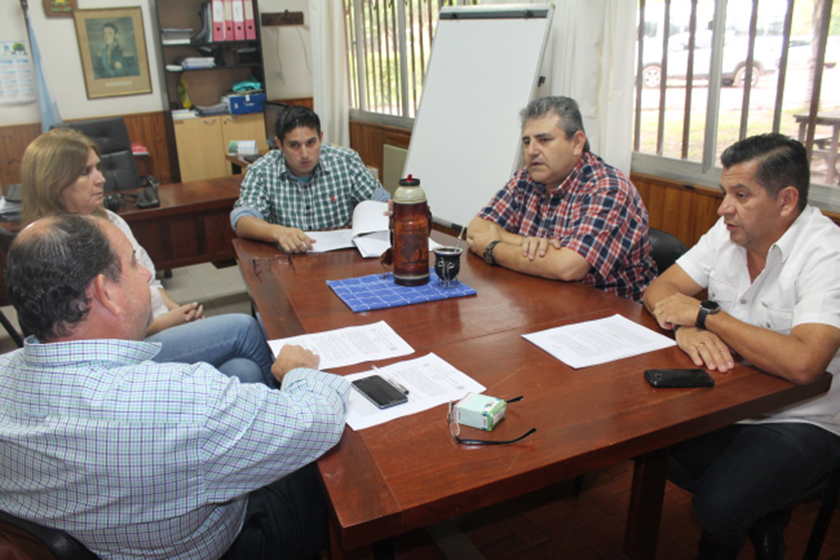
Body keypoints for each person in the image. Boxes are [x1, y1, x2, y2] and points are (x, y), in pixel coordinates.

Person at [0, 213, 349, 560]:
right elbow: (320, 420)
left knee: (241, 370)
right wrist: (296, 372)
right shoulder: (180, 400)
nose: (147, 274)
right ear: (106, 293)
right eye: (134, 264)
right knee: (340, 484)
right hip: (231, 543)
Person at [644, 133, 840, 560]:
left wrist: (706, 316)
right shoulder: (728, 231)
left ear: (786, 201)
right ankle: (763, 512)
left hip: (804, 417)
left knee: (718, 505)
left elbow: (806, 363)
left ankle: (733, 527)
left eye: (740, 194)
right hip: (730, 398)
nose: (723, 208)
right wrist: (684, 330)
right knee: (641, 444)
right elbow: (662, 288)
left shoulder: (827, 253)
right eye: (723, 193)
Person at [21, 128, 275, 385]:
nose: (101, 179)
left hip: (162, 324)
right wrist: (164, 324)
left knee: (243, 370)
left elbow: (151, 282)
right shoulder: (52, 250)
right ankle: (290, 408)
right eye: (86, 172)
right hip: (131, 349)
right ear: (54, 183)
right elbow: (87, 340)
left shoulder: (110, 220)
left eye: (98, 168)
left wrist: (180, 313)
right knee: (243, 329)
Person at [466, 96, 656, 303]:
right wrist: (526, 243)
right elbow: (476, 229)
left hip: (610, 313)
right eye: (527, 142)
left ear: (577, 143)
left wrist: (493, 248)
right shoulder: (526, 178)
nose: (531, 151)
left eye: (544, 140)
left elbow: (567, 267)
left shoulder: (608, 188)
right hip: (545, 301)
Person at [231, 105, 390, 253]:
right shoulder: (262, 170)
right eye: (294, 145)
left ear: (320, 137)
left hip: (340, 258)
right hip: (289, 260)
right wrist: (278, 232)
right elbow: (242, 221)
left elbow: (381, 203)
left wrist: (392, 207)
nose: (305, 154)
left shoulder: (346, 161)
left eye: (311, 143)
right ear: (279, 144)